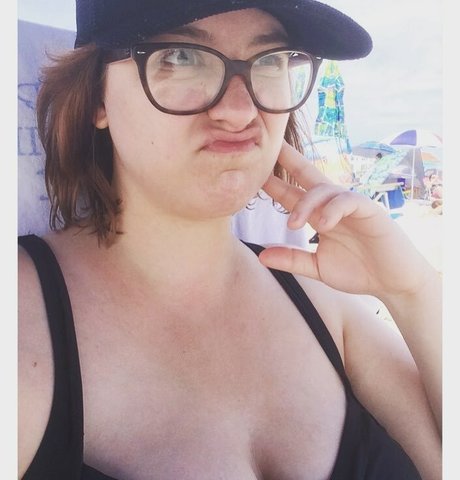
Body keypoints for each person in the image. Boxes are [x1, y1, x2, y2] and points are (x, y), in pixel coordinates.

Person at [18, 1, 441, 479]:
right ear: (98, 96)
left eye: (271, 60)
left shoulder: (324, 305)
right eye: (180, 57)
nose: (240, 112)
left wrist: (413, 291)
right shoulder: (21, 321)